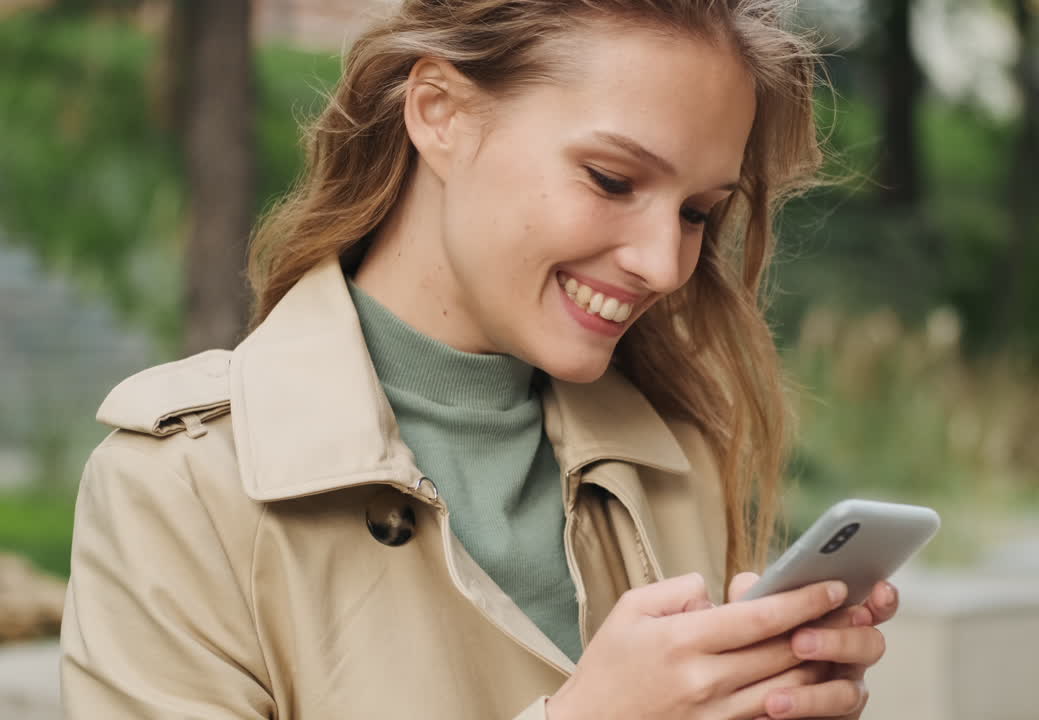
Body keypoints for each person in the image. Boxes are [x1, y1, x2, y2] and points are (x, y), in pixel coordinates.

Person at [60, 1, 900, 718]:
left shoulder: (675, 457)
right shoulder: (178, 488)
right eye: (611, 179)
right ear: (439, 112)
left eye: (696, 213)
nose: (663, 263)